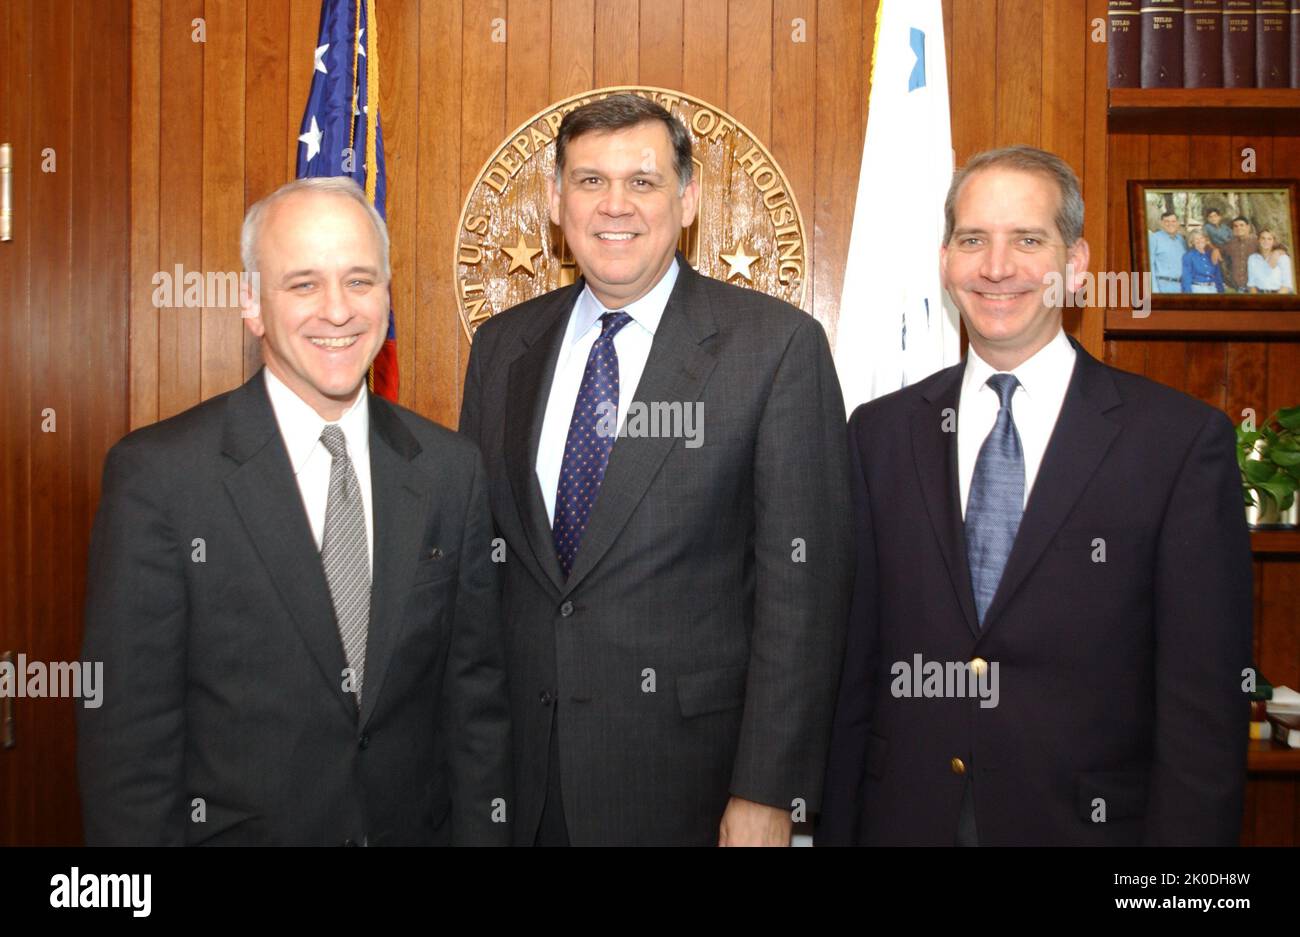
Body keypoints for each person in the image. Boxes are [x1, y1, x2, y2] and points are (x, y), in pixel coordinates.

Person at [818, 145, 1252, 846]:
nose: (996, 266)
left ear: (1075, 266)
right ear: (945, 259)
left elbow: (1204, 712)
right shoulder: (878, 434)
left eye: (1027, 239)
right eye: (973, 240)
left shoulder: (1177, 443)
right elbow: (851, 674)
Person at [459, 93, 853, 846]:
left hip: (690, 785)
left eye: (642, 181)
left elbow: (804, 594)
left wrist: (768, 790)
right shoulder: (502, 348)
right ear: (553, 200)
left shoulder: (774, 349)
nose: (616, 205)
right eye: (589, 180)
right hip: (520, 782)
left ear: (688, 199)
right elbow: (483, 574)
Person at [78, 177, 511, 846]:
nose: (337, 311)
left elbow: (475, 709)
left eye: (360, 281)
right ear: (251, 303)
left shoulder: (451, 471)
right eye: (303, 284)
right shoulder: (161, 478)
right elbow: (128, 746)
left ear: (386, 295)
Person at [1147, 211, 1186, 293]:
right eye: (1166, 221)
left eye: (1173, 221)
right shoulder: (1154, 238)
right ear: (1161, 223)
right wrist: (1154, 290)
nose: (1170, 224)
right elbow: (1149, 266)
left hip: (1181, 286)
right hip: (1163, 286)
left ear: (1177, 223)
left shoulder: (1181, 240)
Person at [1246, 228, 1295, 294]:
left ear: (1274, 241)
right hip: (1259, 295)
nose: (1266, 241)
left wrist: (1273, 300)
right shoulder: (1252, 258)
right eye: (1263, 238)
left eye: (1269, 239)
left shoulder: (1283, 258)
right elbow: (1251, 284)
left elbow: (1286, 285)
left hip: (1279, 295)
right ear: (1258, 240)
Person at [1221, 216, 1259, 292]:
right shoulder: (1231, 244)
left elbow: (1279, 247)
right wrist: (1215, 250)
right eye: (1236, 226)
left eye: (1242, 225)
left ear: (1248, 227)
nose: (1238, 228)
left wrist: (1278, 251)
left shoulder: (1258, 241)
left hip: (1256, 287)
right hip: (1238, 288)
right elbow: (1220, 251)